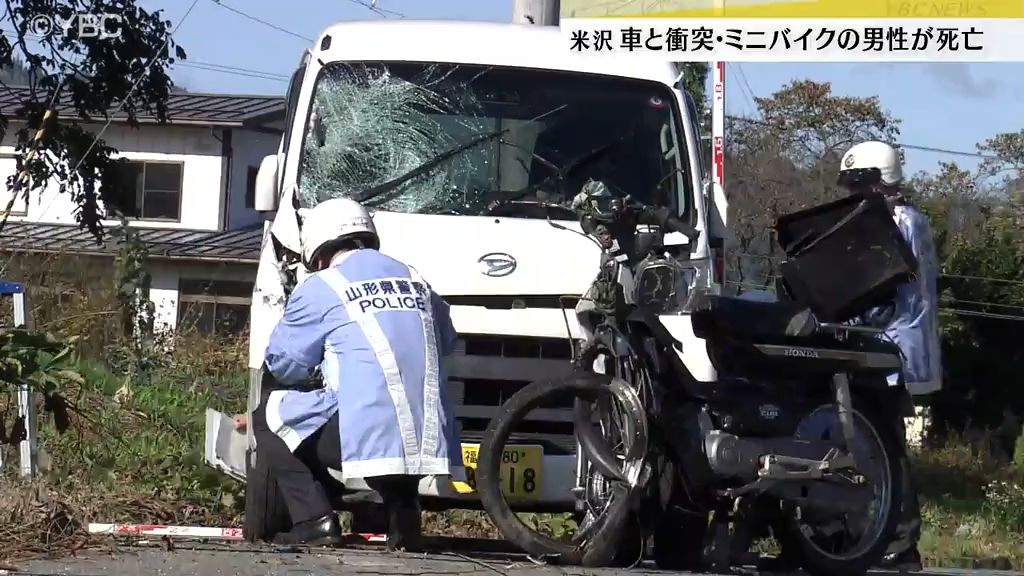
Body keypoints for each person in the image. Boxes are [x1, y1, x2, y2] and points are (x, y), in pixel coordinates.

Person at [249, 197, 463, 551]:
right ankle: (404, 518)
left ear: (317, 253)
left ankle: (314, 520)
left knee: (267, 416)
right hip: (430, 440)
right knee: (390, 415)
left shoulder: (322, 285)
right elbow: (448, 342)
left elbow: (285, 364)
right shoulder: (415, 278)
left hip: (364, 436)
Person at [837, 140, 942, 573]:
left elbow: (882, 291)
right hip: (895, 345)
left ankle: (900, 541)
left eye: (859, 185)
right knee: (875, 441)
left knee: (885, 445)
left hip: (892, 347)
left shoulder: (897, 222)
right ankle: (879, 536)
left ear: (877, 181)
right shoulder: (908, 218)